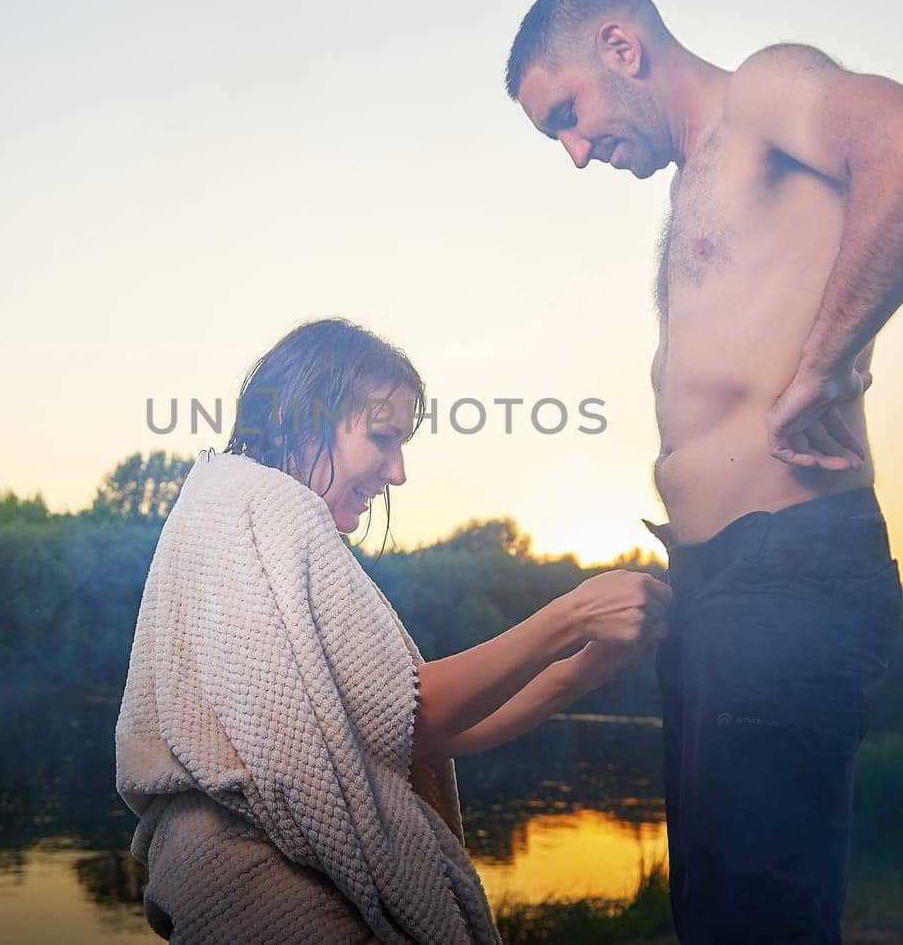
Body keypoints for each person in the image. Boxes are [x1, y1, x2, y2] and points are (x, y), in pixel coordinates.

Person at [505, 0, 903, 943]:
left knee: (761, 918)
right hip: (719, 583)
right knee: (715, 916)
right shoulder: (695, 187)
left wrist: (827, 355)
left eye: (569, 114)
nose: (575, 152)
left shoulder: (763, 90)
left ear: (621, 47)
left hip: (788, 565)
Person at [115, 317, 671, 944]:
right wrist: (569, 617)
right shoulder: (262, 506)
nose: (398, 471)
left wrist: (585, 668)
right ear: (304, 418)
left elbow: (419, 739)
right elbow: (408, 714)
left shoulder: (237, 510)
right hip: (267, 891)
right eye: (383, 438)